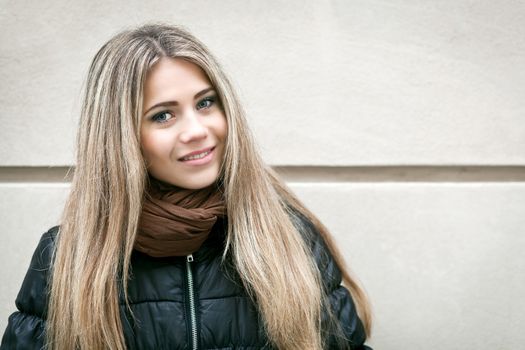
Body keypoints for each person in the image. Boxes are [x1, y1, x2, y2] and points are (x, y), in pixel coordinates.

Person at [1, 24, 372, 350]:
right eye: (163, 115)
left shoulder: (290, 239)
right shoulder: (67, 257)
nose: (196, 130)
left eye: (206, 103)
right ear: (122, 137)